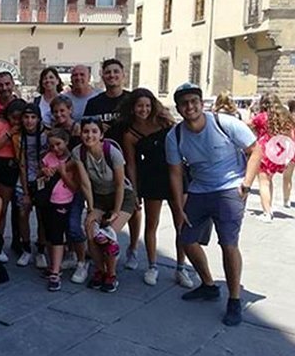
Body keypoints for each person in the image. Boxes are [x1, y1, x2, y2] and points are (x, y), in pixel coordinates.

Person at [166, 82, 262, 326]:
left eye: (193, 102)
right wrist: (178, 207)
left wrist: (247, 183)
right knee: (186, 240)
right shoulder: (175, 135)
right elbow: (176, 173)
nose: (190, 107)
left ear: (201, 103)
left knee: (228, 244)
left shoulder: (224, 122)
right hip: (199, 189)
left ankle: (234, 299)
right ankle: (208, 284)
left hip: (230, 188)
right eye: (184, 103)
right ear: (178, 108)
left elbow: (255, 149)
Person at [120, 89, 194, 288]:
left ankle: (181, 267)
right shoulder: (130, 134)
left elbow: (182, 139)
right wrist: (134, 190)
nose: (143, 109)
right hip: (151, 177)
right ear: (132, 108)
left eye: (147, 105)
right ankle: (152, 266)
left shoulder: (164, 122)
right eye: (139, 106)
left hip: (176, 174)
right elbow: (131, 164)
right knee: (152, 224)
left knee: (182, 223)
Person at [83, 58, 140, 271]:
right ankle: (103, 251)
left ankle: (133, 248)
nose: (112, 76)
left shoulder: (130, 100)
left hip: (129, 157)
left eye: (116, 72)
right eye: (108, 72)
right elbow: (87, 127)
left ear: (123, 75)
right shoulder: (95, 103)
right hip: (103, 159)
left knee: (135, 207)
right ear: (102, 76)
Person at [74, 118, 137, 293]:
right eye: (86, 131)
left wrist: (116, 211)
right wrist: (91, 209)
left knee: (107, 236)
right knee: (90, 229)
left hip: (122, 197)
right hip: (99, 197)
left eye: (94, 131)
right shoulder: (78, 153)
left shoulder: (112, 152)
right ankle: (100, 271)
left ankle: (111, 274)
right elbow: (85, 183)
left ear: (101, 134)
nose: (89, 135)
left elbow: (119, 184)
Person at [0, 99, 26, 263]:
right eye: (13, 117)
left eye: (19, 118)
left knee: (2, 209)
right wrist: (9, 134)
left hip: (10, 167)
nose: (16, 121)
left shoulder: (24, 128)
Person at [39, 128, 79, 291]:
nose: (55, 148)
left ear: (66, 142)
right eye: (52, 145)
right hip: (47, 200)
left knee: (57, 235)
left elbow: (74, 186)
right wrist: (44, 172)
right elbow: (39, 178)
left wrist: (62, 173)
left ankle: (56, 270)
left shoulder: (73, 160)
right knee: (49, 232)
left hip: (62, 200)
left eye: (58, 144)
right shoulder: (48, 158)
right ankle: (53, 265)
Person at [12, 103, 48, 268]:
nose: (29, 121)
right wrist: (26, 191)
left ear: (39, 119)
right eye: (26, 117)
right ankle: (26, 248)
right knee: (22, 213)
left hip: (42, 179)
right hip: (24, 178)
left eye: (33, 117)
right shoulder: (18, 136)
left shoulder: (46, 134)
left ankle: (40, 250)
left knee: (42, 216)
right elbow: (21, 164)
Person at [248, 93, 295, 222]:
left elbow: (247, 126)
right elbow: (291, 136)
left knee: (263, 182)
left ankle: (267, 212)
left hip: (263, 151)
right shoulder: (285, 116)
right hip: (277, 152)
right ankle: (269, 206)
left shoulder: (261, 117)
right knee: (269, 180)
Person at [284, 100, 295, 209]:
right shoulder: (288, 122)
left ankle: (286, 199)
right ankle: (286, 199)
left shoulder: (288, 121)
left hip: (290, 151)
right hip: (291, 151)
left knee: (287, 177)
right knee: (287, 177)